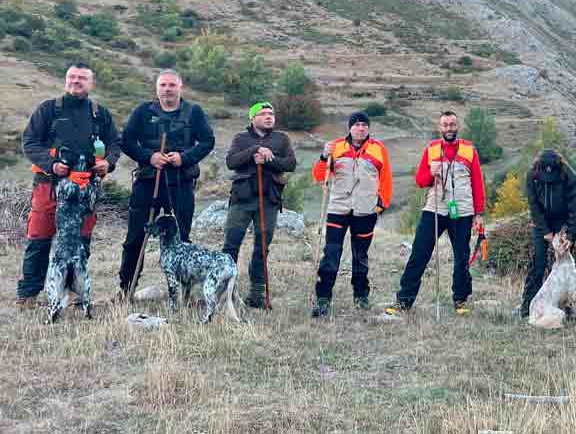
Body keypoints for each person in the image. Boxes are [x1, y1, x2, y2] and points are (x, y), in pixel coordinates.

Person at [16, 62, 121, 308]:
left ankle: (75, 294)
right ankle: (28, 295)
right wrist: (52, 165)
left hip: (86, 189)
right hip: (49, 186)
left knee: (81, 241)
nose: (76, 81)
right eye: (72, 77)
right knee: (38, 239)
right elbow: (29, 142)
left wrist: (109, 162)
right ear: (66, 80)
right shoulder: (48, 109)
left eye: (82, 78)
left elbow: (115, 143)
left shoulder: (100, 114)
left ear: (91, 83)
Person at [118, 69, 215, 294]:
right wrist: (149, 157)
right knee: (135, 239)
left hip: (181, 183)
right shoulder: (143, 112)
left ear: (180, 87)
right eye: (163, 85)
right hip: (147, 182)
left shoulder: (194, 112)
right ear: (157, 88)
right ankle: (126, 291)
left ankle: (184, 293)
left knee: (182, 239)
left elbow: (207, 141)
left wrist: (184, 158)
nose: (167, 89)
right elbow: (126, 141)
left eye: (172, 85)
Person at [386, 111, 485, 316]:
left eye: (452, 124)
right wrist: (431, 172)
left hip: (463, 211)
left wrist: (479, 213)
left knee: (462, 257)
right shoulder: (431, 149)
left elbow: (477, 182)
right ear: (440, 127)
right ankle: (403, 301)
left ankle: (461, 300)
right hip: (434, 208)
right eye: (445, 125)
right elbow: (420, 180)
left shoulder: (469, 150)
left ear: (458, 126)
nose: (449, 128)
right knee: (419, 254)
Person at [310, 111, 392, 317]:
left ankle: (361, 296)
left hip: (366, 211)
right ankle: (323, 298)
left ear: (368, 128)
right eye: (356, 125)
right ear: (350, 127)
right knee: (331, 253)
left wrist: (381, 204)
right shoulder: (335, 146)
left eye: (364, 125)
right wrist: (323, 156)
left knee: (360, 255)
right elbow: (319, 176)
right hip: (338, 209)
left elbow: (386, 179)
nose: (360, 128)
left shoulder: (379, 149)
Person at [223, 101, 297, 308]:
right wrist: (254, 150)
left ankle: (257, 294)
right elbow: (231, 162)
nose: (268, 117)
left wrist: (268, 160)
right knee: (231, 244)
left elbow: (290, 164)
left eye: (271, 113)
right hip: (242, 199)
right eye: (263, 113)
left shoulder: (282, 139)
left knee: (262, 247)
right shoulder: (241, 138)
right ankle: (225, 291)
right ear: (252, 118)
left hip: (269, 200)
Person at [518, 148, 576, 319]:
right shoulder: (532, 175)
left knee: (564, 267)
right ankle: (528, 306)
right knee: (538, 262)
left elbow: (575, 208)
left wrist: (570, 235)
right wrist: (546, 231)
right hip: (541, 222)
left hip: (563, 223)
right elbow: (534, 206)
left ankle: (567, 307)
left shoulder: (569, 176)